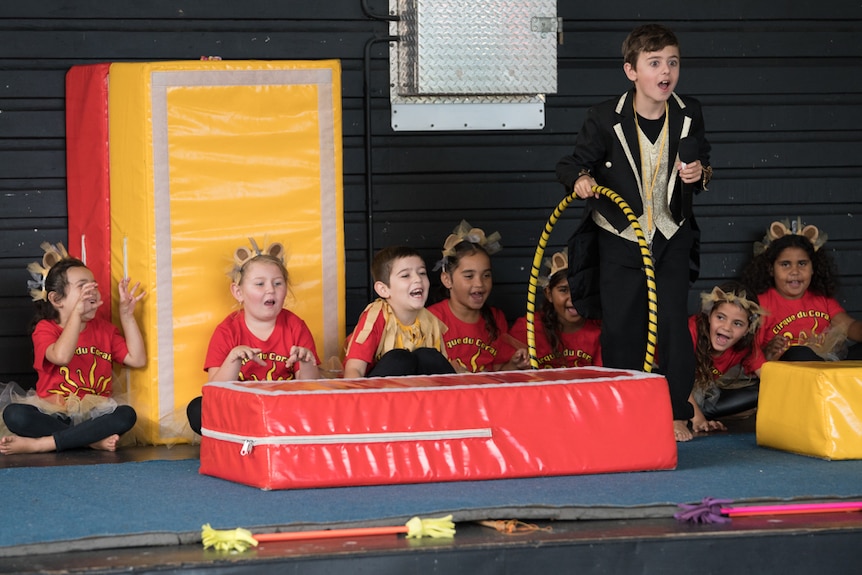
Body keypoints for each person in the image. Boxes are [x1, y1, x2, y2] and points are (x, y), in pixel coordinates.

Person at [556, 23, 712, 442]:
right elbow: (572, 164)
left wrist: (699, 174)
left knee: (673, 325)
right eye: (655, 63)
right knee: (623, 325)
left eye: (673, 63)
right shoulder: (605, 117)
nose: (666, 72)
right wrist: (581, 180)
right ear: (632, 71)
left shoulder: (689, 112)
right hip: (621, 236)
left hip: (672, 233)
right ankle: (624, 409)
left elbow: (704, 165)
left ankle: (676, 412)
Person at [1, 243, 145, 454]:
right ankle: (89, 441)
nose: (92, 291)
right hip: (53, 411)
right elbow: (61, 356)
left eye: (94, 286)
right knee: (15, 415)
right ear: (57, 299)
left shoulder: (104, 329)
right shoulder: (45, 329)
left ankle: (43, 444)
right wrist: (76, 315)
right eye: (83, 286)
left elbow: (137, 359)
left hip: (96, 413)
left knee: (126, 415)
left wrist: (126, 315)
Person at [186, 239, 320, 435]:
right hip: (243, 412)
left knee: (316, 410)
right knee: (198, 408)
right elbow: (214, 392)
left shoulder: (295, 326)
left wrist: (307, 362)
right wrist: (233, 359)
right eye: (259, 284)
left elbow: (311, 392)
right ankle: (247, 435)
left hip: (283, 410)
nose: (270, 289)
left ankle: (270, 434)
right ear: (238, 292)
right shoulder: (227, 331)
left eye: (278, 283)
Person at [741, 220, 862, 362]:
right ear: (771, 269)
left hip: (826, 368)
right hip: (790, 369)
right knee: (801, 353)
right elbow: (750, 352)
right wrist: (768, 351)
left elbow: (849, 326)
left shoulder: (822, 298)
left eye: (802, 264)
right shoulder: (762, 303)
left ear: (813, 268)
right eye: (785, 264)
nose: (795, 271)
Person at [428, 221, 530, 372]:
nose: (480, 284)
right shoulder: (431, 318)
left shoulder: (496, 318)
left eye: (486, 275)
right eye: (469, 276)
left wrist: (514, 365)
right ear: (447, 280)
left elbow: (499, 373)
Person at [343, 246, 454, 378]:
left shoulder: (431, 321)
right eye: (406, 275)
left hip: (419, 392)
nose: (418, 279)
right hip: (379, 394)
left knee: (428, 356)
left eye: (422, 273)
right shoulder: (376, 316)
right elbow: (355, 369)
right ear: (383, 289)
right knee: (399, 359)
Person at [687, 281, 767, 433]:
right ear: (710, 315)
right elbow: (676, 381)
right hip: (670, 390)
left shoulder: (746, 345)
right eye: (721, 317)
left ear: (746, 330)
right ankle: (688, 416)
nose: (726, 327)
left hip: (700, 397)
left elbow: (769, 378)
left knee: (760, 391)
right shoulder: (691, 330)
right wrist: (699, 420)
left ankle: (694, 414)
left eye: (737, 323)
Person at [510, 249, 602, 369]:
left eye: (581, 289)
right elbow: (502, 374)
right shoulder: (528, 328)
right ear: (549, 294)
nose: (573, 298)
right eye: (563, 290)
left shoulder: (599, 329)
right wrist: (515, 365)